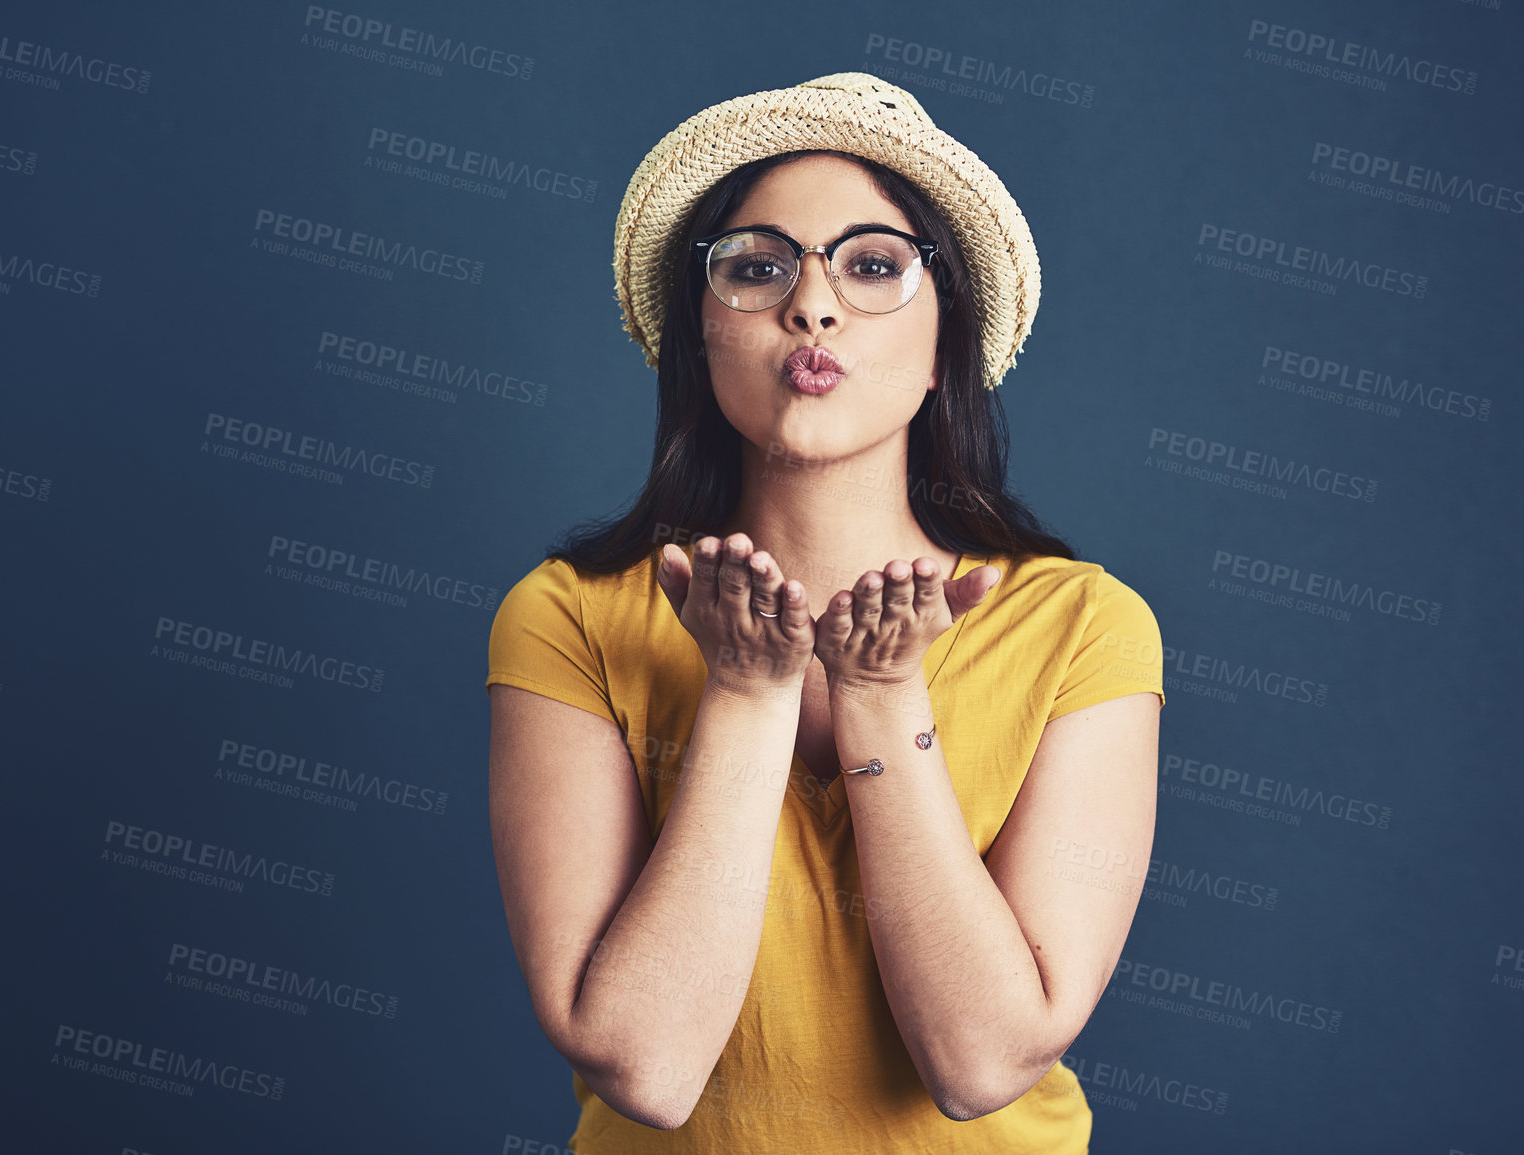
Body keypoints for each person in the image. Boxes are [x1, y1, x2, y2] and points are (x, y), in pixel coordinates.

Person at [486, 72, 1165, 1154]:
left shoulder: (1084, 628)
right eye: (756, 269)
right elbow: (646, 1066)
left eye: (874, 265)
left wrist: (884, 698)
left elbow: (983, 1061)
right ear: (699, 339)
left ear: (946, 348)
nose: (812, 304)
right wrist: (748, 694)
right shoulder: (567, 617)